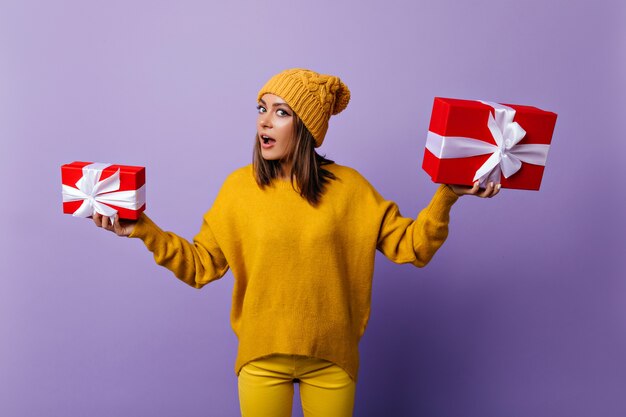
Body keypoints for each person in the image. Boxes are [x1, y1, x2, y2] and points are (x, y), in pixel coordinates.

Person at [93, 68, 500, 417]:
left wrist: (449, 193)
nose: (265, 122)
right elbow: (201, 266)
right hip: (261, 358)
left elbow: (413, 247)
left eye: (281, 112)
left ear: (305, 127)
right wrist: (142, 228)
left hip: (331, 360)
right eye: (262, 108)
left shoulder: (350, 188)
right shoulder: (239, 189)